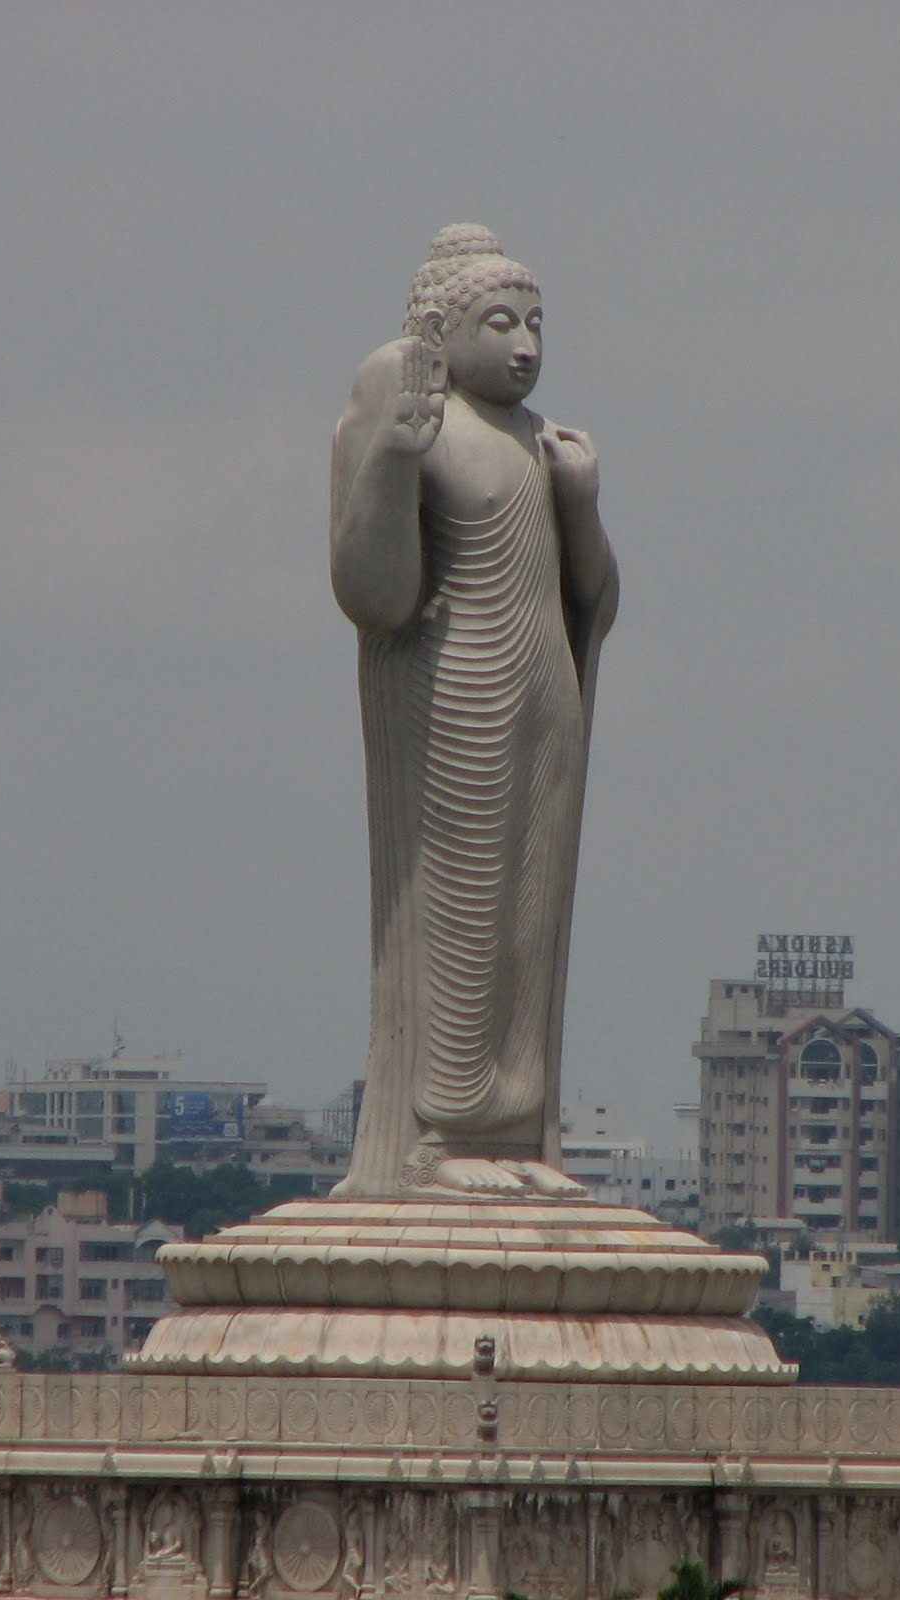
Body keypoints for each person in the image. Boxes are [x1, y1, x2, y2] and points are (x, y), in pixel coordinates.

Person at [330, 225, 617, 1200]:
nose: (525, 344)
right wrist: (390, 464)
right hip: (454, 693)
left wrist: (578, 501)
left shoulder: (544, 441)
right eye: (499, 322)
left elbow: (595, 601)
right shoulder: (412, 414)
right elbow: (375, 597)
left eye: (535, 323)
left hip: (547, 695)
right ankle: (435, 1136)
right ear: (442, 331)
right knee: (459, 908)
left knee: (528, 921)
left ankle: (514, 1133)